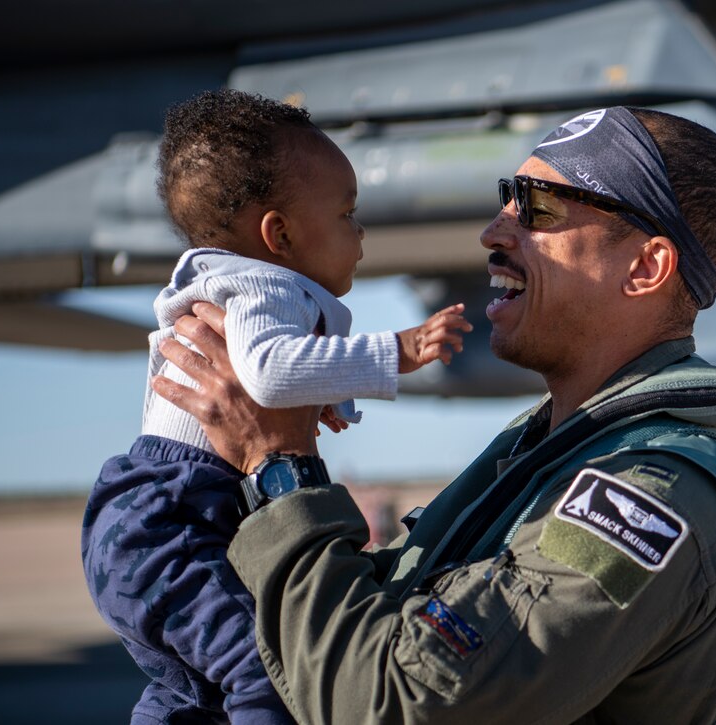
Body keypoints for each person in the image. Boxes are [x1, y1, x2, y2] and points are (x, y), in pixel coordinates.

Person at [143, 106, 716, 723]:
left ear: (646, 266)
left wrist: (279, 466)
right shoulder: (548, 449)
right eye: (508, 197)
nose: (493, 231)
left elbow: (396, 703)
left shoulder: (644, 498)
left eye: (537, 207)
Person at [81, 89, 471, 724]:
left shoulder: (224, 280)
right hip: (180, 516)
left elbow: (269, 370)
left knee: (192, 694)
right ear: (279, 234)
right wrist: (394, 352)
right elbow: (266, 371)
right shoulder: (270, 284)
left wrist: (323, 394)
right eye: (346, 213)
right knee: (271, 675)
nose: (361, 230)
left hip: (144, 520)